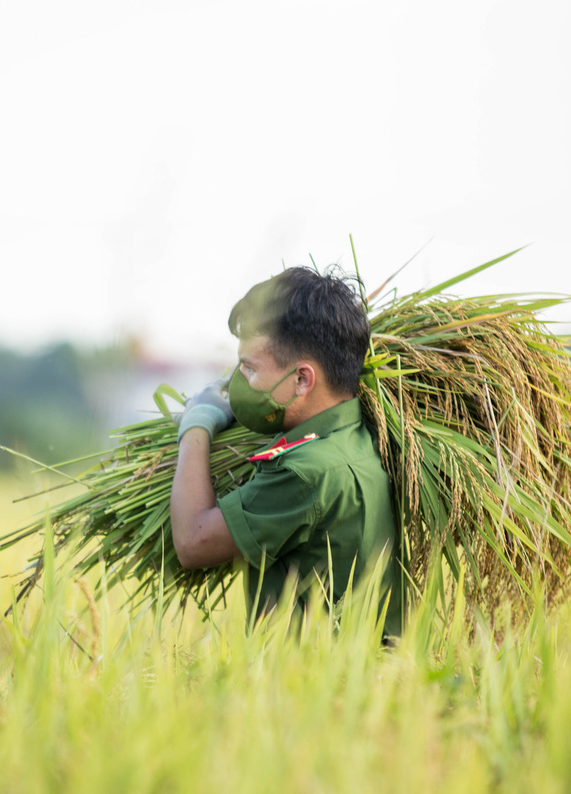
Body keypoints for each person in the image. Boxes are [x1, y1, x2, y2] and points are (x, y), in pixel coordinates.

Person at [169, 266, 404, 638]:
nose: (239, 382)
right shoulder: (357, 436)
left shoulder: (306, 471)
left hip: (319, 688)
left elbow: (193, 542)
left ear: (302, 379)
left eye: (249, 368)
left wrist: (195, 427)